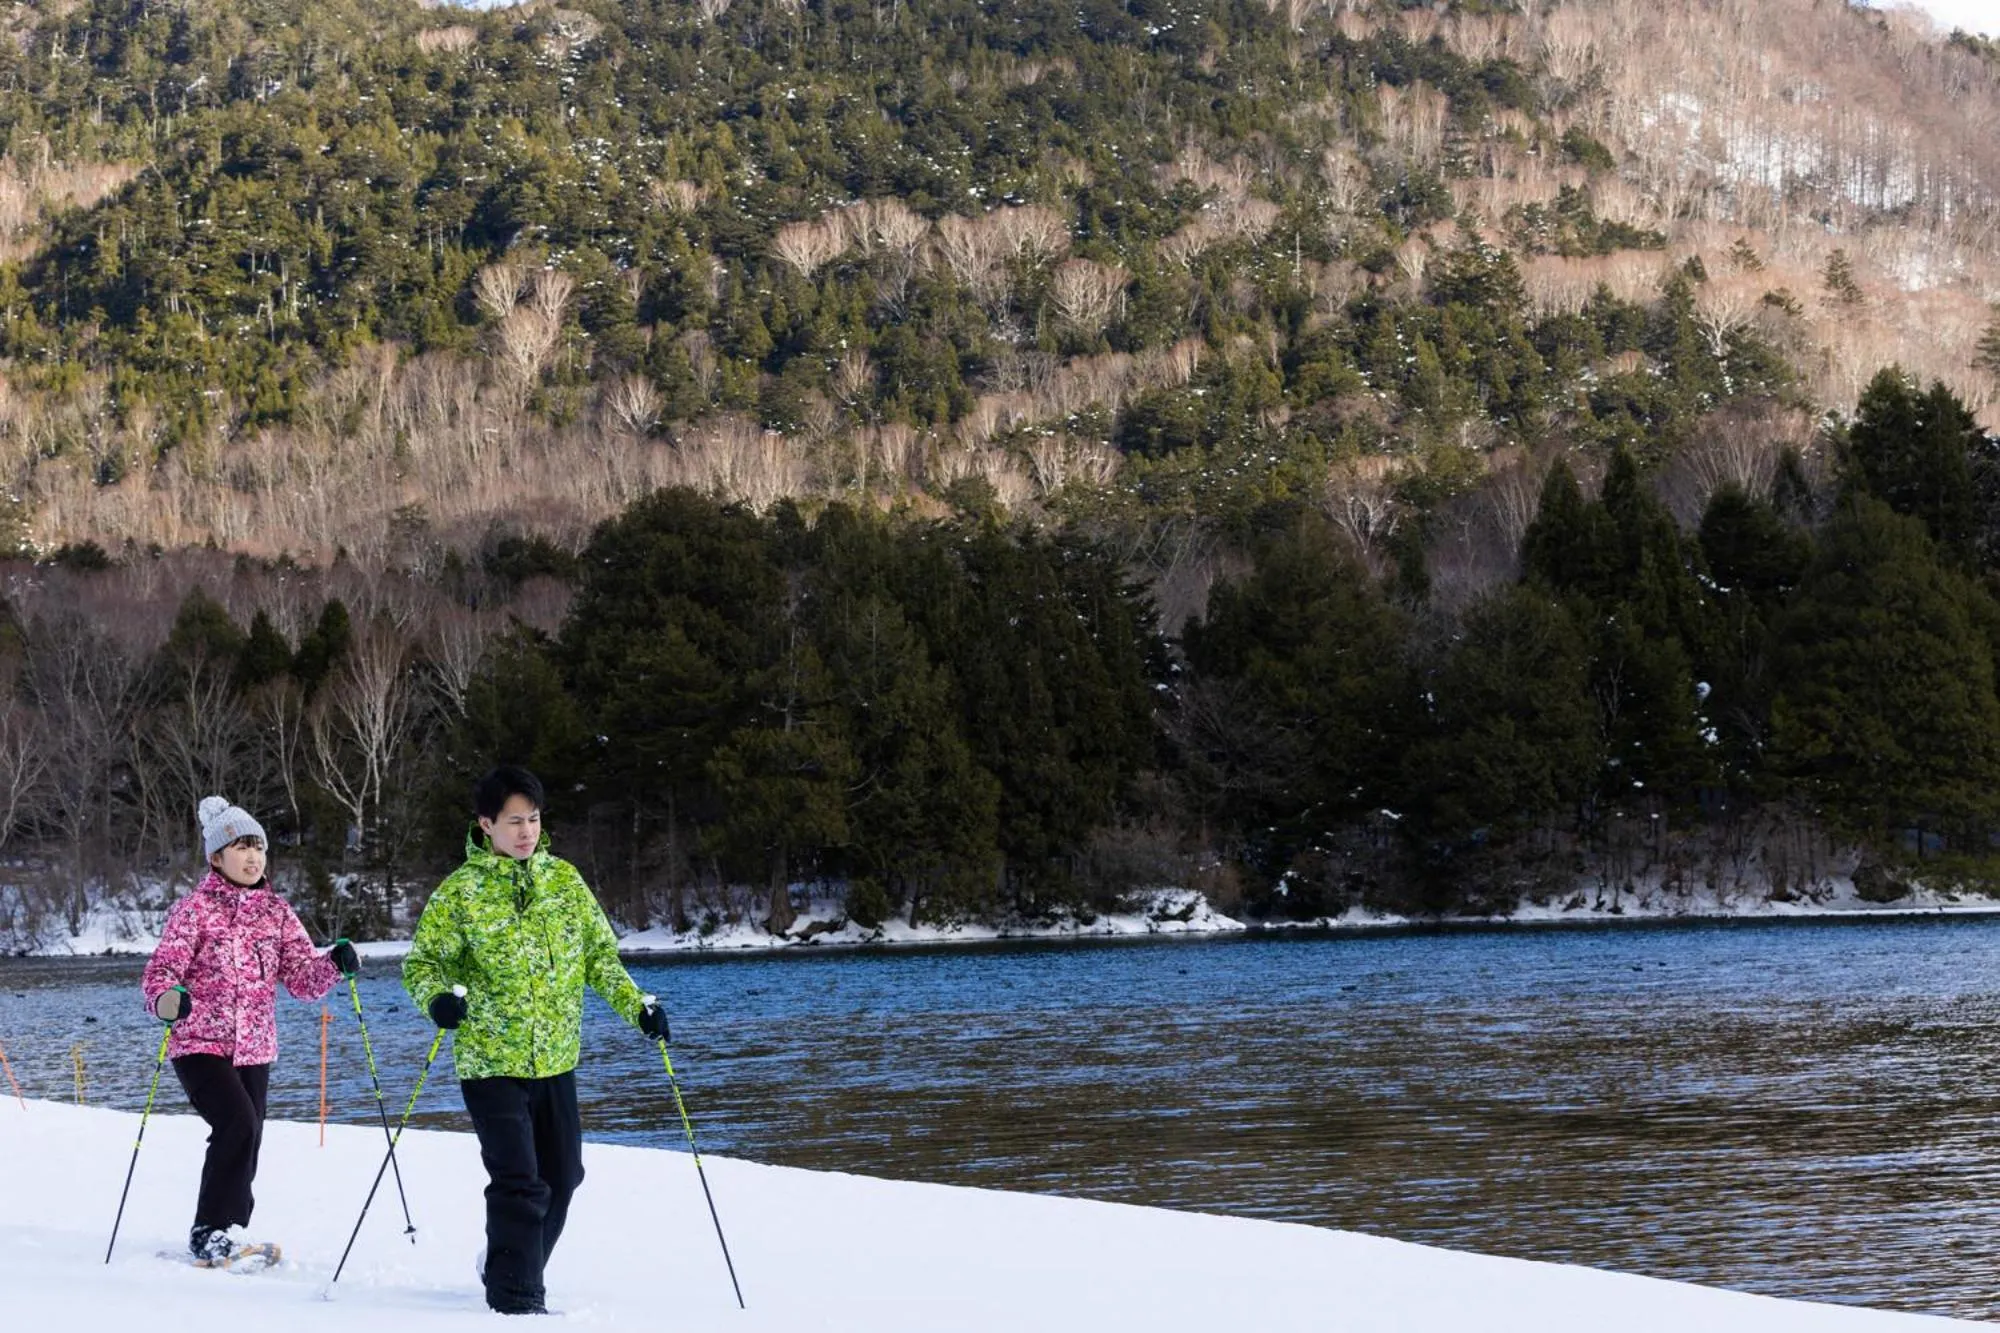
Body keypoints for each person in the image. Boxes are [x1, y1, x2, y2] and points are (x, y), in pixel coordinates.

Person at [402, 765, 668, 1316]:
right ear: (486, 825)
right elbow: (423, 963)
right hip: (489, 1061)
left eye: (534, 819)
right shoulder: (461, 893)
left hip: (555, 1059)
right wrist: (437, 1001)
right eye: (514, 821)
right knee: (518, 1181)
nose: (526, 831)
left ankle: (507, 1263)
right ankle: (517, 1300)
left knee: (563, 1178)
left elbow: (599, 959)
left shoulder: (565, 883)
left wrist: (638, 1009)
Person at [141, 796, 360, 1264]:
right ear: (216, 857)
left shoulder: (276, 913)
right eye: (241, 847)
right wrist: (166, 1000)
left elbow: (302, 980)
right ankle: (209, 1232)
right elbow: (161, 972)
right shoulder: (194, 911)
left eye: (258, 846)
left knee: (250, 1132)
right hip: (199, 1041)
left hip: (255, 1046)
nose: (253, 856)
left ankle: (232, 1230)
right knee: (236, 1123)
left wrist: (334, 965)